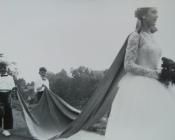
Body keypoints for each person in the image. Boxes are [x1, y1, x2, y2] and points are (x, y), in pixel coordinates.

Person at [105, 7, 175, 140]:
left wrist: (168, 71)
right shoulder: (135, 36)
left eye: (157, 13)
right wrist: (154, 74)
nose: (157, 16)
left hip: (158, 85)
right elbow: (128, 65)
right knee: (139, 123)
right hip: (138, 86)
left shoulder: (153, 38)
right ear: (143, 16)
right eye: (153, 12)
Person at [0, 62, 16, 137]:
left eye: (4, 67)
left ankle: (6, 130)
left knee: (8, 111)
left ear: (7, 68)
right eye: (1, 67)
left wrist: (12, 91)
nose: (3, 69)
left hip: (8, 94)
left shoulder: (10, 77)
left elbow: (13, 87)